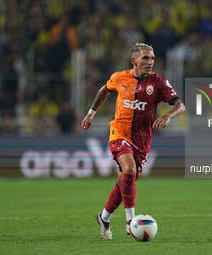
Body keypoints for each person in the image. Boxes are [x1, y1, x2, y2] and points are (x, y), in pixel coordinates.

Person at [81, 43, 186, 239]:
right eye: (146, 58)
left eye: (152, 58)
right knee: (128, 170)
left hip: (142, 140)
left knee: (125, 181)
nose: (150, 62)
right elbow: (104, 90)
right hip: (119, 133)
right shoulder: (119, 77)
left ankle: (104, 217)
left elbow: (181, 105)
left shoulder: (159, 83)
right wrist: (91, 113)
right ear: (134, 60)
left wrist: (169, 116)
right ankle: (131, 221)